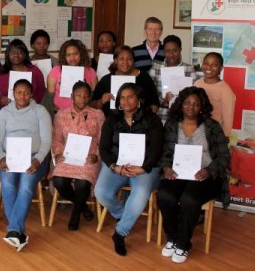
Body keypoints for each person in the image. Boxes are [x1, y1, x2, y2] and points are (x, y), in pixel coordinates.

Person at [157, 86, 230, 264]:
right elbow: (164, 151)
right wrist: (166, 167)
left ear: (202, 106)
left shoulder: (212, 127)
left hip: (205, 175)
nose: (191, 107)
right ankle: (173, 237)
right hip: (178, 172)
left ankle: (183, 244)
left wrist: (209, 170)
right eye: (187, 103)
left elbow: (224, 156)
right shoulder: (172, 124)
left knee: (189, 198)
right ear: (181, 104)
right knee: (165, 195)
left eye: (196, 104)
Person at [94, 83, 163, 256]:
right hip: (118, 165)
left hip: (145, 167)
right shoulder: (112, 119)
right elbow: (104, 148)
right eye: (122, 97)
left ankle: (120, 232)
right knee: (101, 192)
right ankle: (123, 213)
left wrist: (144, 168)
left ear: (138, 99)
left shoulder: (151, 119)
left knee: (140, 194)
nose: (126, 101)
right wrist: (114, 167)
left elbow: (157, 148)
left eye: (130, 96)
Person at [0, 79, 52, 251]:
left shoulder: (40, 111)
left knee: (26, 186)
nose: (22, 96)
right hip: (9, 157)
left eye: (26, 92)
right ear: (13, 93)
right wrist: (1, 157)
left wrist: (38, 160)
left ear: (32, 94)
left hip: (33, 157)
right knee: (8, 185)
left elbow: (47, 141)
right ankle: (19, 232)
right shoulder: (4, 113)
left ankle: (14, 230)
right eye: (19, 92)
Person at [50, 81, 105, 230]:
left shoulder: (97, 115)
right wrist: (58, 153)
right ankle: (83, 207)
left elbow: (102, 141)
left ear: (90, 97)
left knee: (82, 183)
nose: (82, 98)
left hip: (89, 158)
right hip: (68, 157)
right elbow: (57, 138)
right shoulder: (61, 114)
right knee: (59, 181)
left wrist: (96, 156)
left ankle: (75, 214)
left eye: (86, 96)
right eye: (78, 95)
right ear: (72, 96)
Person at [91, 45, 159, 117]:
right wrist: (101, 101)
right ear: (116, 60)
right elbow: (92, 105)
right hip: (112, 124)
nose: (125, 62)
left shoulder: (144, 77)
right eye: (121, 59)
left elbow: (155, 103)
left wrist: (146, 120)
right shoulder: (106, 80)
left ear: (133, 61)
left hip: (141, 124)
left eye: (129, 59)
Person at [0, 39, 45, 111]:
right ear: (8, 54)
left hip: (30, 112)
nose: (16, 55)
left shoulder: (35, 71)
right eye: (13, 52)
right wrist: (0, 100)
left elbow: (41, 92)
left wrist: (31, 101)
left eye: (20, 52)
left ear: (25, 54)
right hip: (6, 113)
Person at [148, 35, 196, 121]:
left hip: (182, 116)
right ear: (163, 51)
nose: (171, 55)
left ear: (180, 50)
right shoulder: (156, 67)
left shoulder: (189, 69)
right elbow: (150, 93)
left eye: (175, 51)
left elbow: (194, 94)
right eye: (167, 51)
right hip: (160, 115)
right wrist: (163, 101)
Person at [46, 39, 97, 111]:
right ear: (64, 56)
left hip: (84, 113)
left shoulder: (91, 72)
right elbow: (50, 97)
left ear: (81, 55)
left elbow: (94, 97)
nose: (72, 58)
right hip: (59, 113)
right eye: (68, 55)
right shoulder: (55, 71)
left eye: (76, 54)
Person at [193, 52, 235, 137]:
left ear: (221, 68)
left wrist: (225, 138)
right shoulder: (197, 83)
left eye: (214, 64)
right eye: (206, 63)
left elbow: (228, 119)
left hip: (214, 134)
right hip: (196, 131)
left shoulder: (225, 90)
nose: (209, 67)